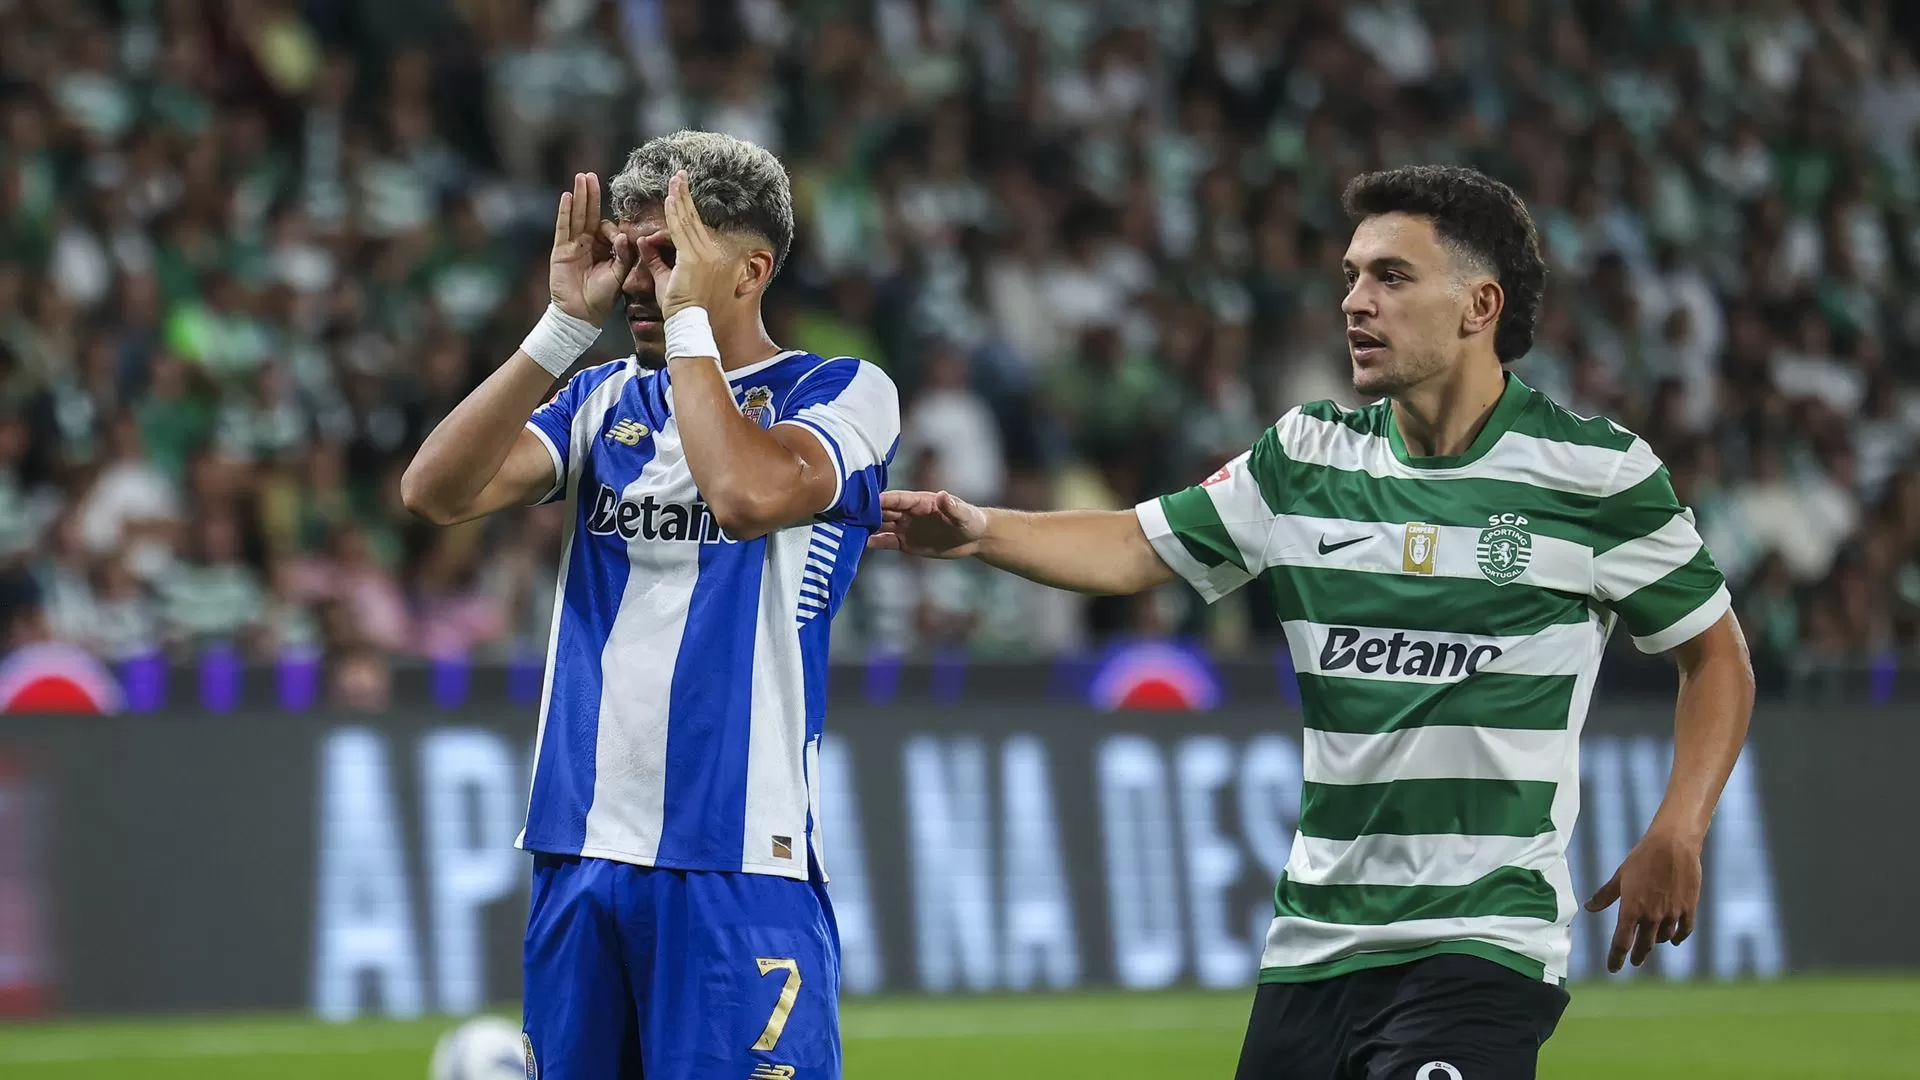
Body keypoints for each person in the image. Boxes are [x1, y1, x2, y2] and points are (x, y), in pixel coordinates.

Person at [871, 165, 1754, 1080]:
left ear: (1480, 305)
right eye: (1351, 276)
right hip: (1312, 952)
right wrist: (981, 532)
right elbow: (1135, 545)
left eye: (1391, 277)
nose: (1355, 302)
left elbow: (1718, 658)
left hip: (1480, 942)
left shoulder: (1596, 476)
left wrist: (1679, 827)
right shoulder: (1304, 457)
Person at [402, 131, 899, 1080]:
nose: (637, 280)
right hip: (578, 851)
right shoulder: (599, 401)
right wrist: (559, 329)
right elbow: (434, 492)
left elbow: (743, 496)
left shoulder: (841, 394)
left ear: (750, 270)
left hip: (739, 860)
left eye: (668, 255)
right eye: (628, 253)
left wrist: (688, 332)